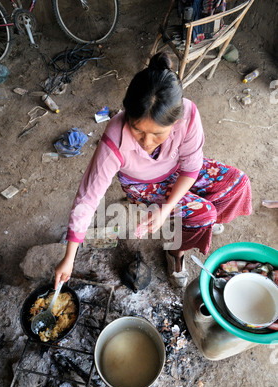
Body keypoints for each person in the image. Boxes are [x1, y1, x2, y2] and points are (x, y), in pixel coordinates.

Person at [55, 52, 252, 289]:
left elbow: (190, 167)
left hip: (179, 170)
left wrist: (167, 208)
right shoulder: (115, 138)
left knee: (238, 182)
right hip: (143, 185)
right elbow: (87, 199)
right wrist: (69, 258)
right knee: (204, 214)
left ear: (175, 121)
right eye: (138, 131)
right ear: (128, 115)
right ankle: (175, 252)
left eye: (158, 134)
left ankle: (195, 225)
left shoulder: (187, 115)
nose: (147, 142)